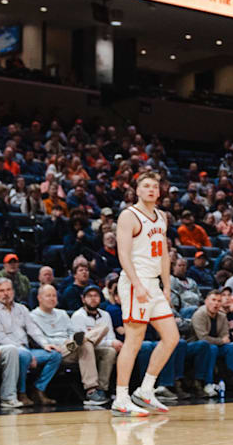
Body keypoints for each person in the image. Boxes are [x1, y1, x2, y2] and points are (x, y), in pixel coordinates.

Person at [111, 172, 179, 417]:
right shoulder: (129, 216)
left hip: (154, 284)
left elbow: (163, 254)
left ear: (160, 192)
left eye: (155, 186)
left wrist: (167, 285)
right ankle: (121, 398)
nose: (151, 189)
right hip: (134, 282)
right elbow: (123, 254)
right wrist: (137, 283)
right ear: (137, 191)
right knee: (134, 341)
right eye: (146, 186)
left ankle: (146, 390)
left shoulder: (162, 217)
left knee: (171, 337)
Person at [0, 278, 61, 406]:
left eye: (8, 290)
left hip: (27, 349)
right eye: (2, 291)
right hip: (8, 351)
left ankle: (38, 389)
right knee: (23, 355)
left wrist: (44, 344)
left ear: (13, 291)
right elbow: (0, 338)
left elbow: (33, 329)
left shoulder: (22, 308)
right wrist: (26, 352)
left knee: (55, 355)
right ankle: (21, 393)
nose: (6, 293)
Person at [69, 285, 122, 401]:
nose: (93, 299)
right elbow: (80, 342)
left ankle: (102, 389)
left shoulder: (105, 315)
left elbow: (111, 338)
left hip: (95, 347)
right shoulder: (78, 316)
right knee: (87, 343)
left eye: (96, 296)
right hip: (78, 349)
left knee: (110, 351)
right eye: (89, 296)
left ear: (100, 298)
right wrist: (109, 342)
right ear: (83, 299)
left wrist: (110, 343)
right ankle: (91, 391)